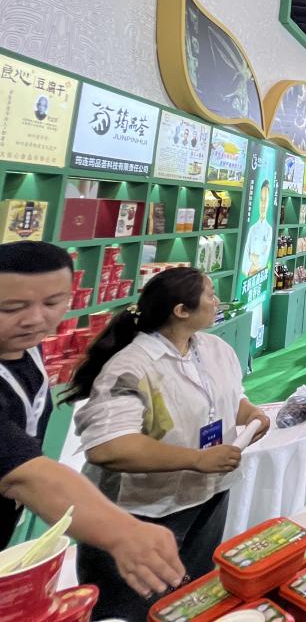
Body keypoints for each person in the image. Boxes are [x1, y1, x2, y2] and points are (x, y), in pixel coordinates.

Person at [68, 267, 271, 619]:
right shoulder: (132, 366)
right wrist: (196, 459)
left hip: (210, 496)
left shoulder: (215, 349)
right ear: (181, 311)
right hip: (143, 512)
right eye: (210, 294)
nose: (217, 301)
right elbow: (109, 448)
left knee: (193, 595)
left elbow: (228, 397)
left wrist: (250, 413)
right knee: (133, 606)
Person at [0, 242, 186, 598]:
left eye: (53, 303)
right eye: (11, 307)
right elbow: (26, 475)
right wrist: (123, 532)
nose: (36, 319)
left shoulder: (23, 344)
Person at [243, 180, 273, 277]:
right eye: (261, 199)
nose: (263, 204)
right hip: (249, 276)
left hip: (259, 276)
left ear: (269, 202)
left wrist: (252, 257)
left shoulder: (269, 230)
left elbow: (263, 261)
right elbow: (245, 260)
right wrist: (254, 261)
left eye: (266, 200)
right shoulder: (252, 229)